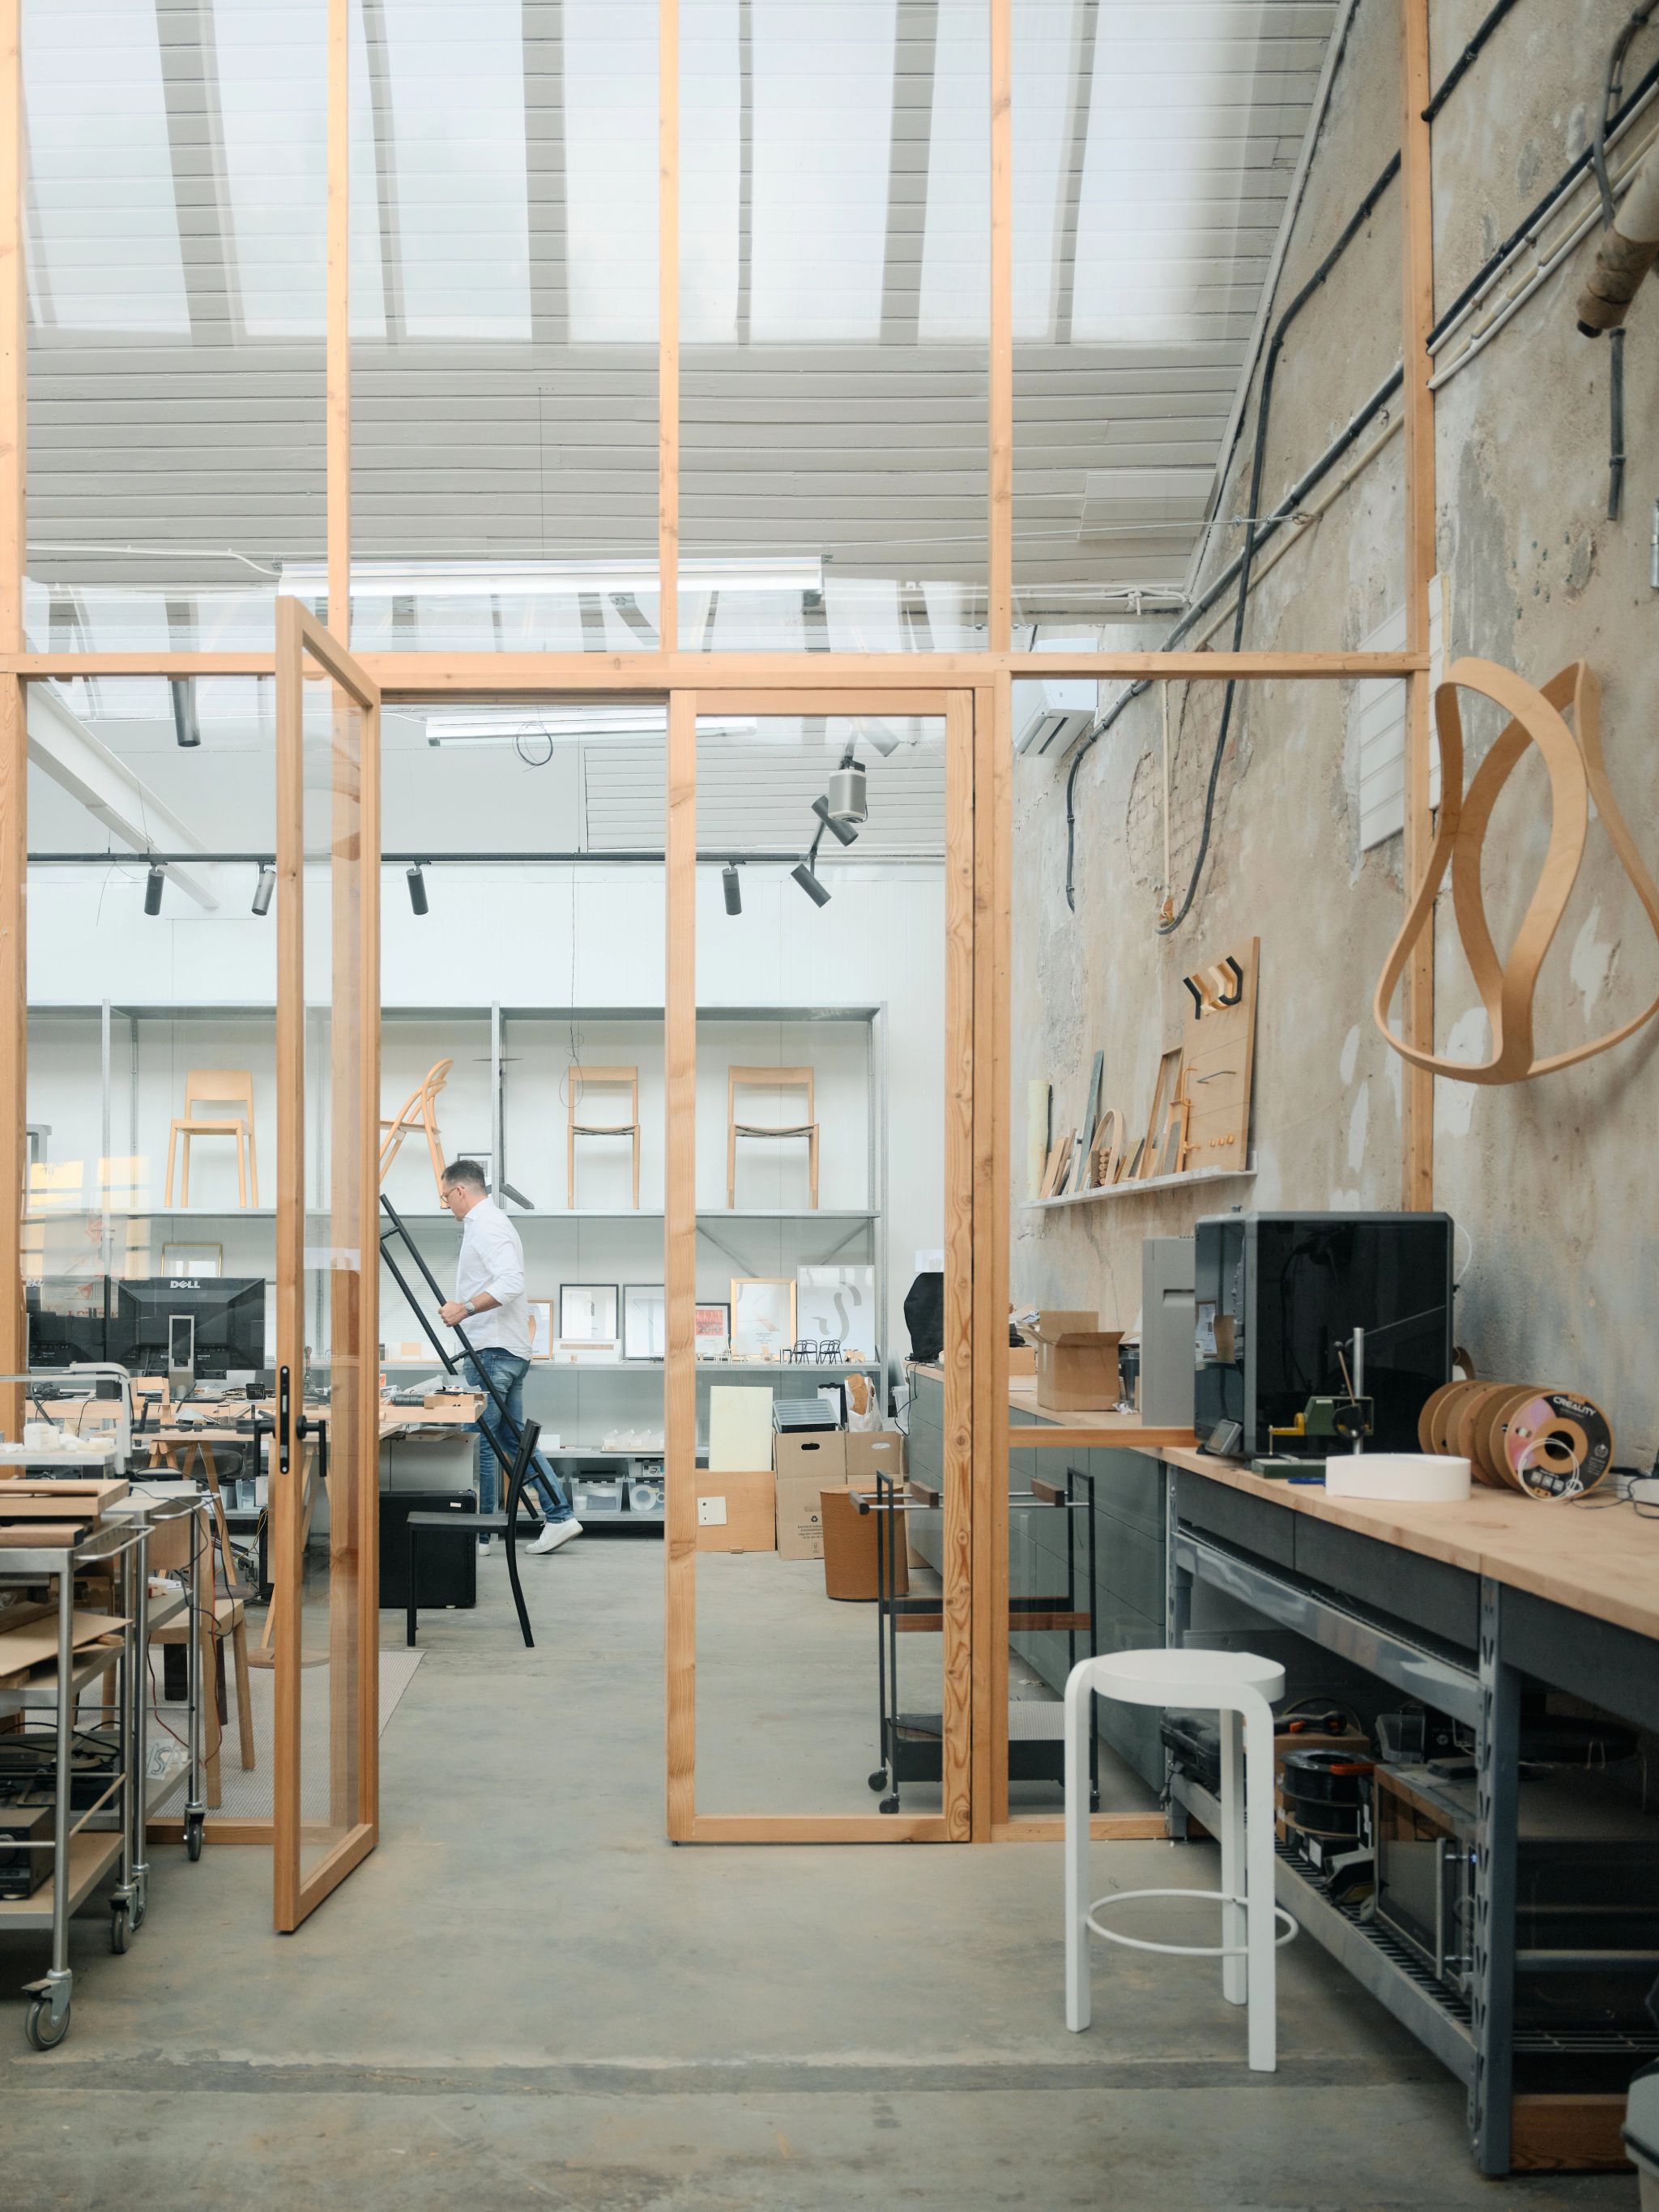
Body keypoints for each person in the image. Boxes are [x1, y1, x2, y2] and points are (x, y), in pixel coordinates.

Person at [436, 1159, 582, 1557]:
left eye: (445, 1197)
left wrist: (464, 1308)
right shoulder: (487, 1224)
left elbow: (512, 1283)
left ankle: (481, 1537)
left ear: (461, 1192)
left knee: (486, 1442)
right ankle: (559, 1515)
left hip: (494, 1351)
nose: (446, 1204)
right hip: (506, 1349)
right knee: (513, 1441)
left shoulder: (487, 1224)